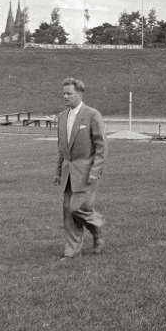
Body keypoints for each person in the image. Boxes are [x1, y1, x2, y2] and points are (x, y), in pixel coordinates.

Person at [55, 78, 107, 261]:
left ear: (80, 94)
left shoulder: (92, 115)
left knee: (78, 208)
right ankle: (72, 251)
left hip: (87, 172)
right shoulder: (61, 117)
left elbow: (101, 147)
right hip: (68, 173)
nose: (65, 96)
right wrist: (57, 172)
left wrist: (95, 171)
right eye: (64, 93)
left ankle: (98, 228)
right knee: (68, 212)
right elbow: (61, 148)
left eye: (69, 93)